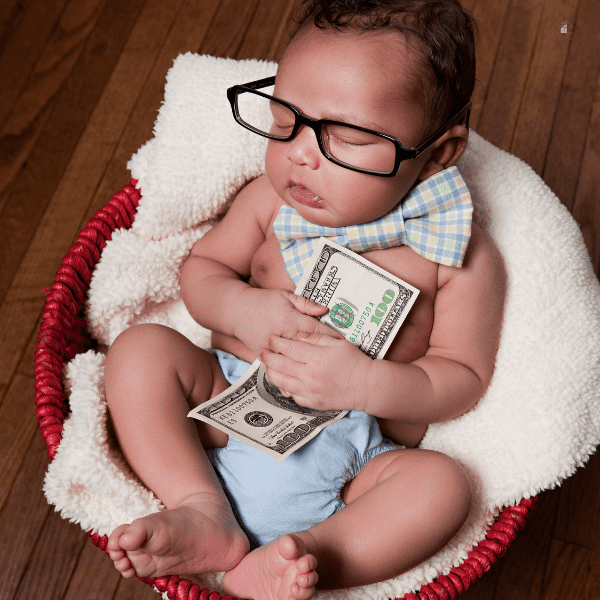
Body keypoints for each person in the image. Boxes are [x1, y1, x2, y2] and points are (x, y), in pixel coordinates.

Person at [106, 1, 506, 598]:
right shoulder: (270, 201)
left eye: (346, 137)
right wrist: (243, 309)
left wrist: (367, 385)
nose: (300, 153)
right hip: (225, 400)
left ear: (438, 154)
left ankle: (309, 555)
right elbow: (202, 270)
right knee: (139, 351)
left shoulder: (457, 258)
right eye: (287, 118)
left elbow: (463, 377)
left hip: (355, 457)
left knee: (446, 487)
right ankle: (200, 508)